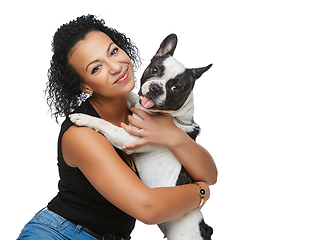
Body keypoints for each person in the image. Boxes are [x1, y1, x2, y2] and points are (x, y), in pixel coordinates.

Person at [17, 14, 217, 240]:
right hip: (59, 234)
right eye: (96, 68)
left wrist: (174, 136)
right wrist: (200, 193)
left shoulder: (144, 112)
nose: (115, 67)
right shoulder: (81, 132)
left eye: (113, 51)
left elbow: (209, 174)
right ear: (84, 86)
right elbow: (148, 208)